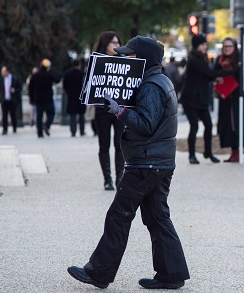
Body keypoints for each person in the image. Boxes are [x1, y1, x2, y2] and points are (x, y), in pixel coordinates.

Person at [67, 36, 190, 290]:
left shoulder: (152, 86)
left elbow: (145, 124)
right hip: (158, 161)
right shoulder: (159, 81)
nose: (124, 58)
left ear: (143, 58)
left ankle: (99, 273)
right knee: (157, 217)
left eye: (130, 55)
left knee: (119, 215)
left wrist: (119, 111)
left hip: (146, 162)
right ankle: (171, 274)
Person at [180, 34, 234, 164]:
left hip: (201, 99)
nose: (205, 47)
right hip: (190, 99)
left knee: (208, 125)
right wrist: (234, 71)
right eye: (203, 45)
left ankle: (208, 152)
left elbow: (207, 76)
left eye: (205, 45)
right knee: (194, 126)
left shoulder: (203, 59)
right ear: (197, 46)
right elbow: (210, 74)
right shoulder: (194, 60)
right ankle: (192, 155)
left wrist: (216, 76)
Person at [92, 31, 125, 190]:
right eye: (114, 43)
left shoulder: (124, 62)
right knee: (104, 145)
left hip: (119, 110)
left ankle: (120, 178)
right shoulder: (97, 62)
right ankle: (107, 179)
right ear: (106, 44)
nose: (117, 46)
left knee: (120, 144)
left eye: (118, 43)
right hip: (102, 109)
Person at [214, 37, 244, 163]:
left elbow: (239, 73)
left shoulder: (239, 60)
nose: (227, 49)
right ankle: (233, 151)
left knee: (235, 124)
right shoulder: (219, 59)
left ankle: (237, 151)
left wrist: (226, 73)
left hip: (236, 97)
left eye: (230, 47)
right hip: (224, 96)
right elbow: (214, 73)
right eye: (225, 47)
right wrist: (218, 78)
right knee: (226, 124)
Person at [28, 58, 60, 138]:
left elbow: (30, 88)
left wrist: (31, 98)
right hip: (48, 98)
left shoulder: (35, 75)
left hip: (38, 98)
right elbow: (58, 79)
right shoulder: (49, 75)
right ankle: (46, 125)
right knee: (51, 113)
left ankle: (39, 133)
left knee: (39, 116)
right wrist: (52, 70)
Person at [0, 66, 22, 135]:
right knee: (4, 116)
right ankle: (5, 129)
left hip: (12, 100)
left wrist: (15, 90)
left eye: (3, 71)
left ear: (7, 72)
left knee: (13, 115)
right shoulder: (0, 80)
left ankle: (14, 127)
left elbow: (20, 88)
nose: (2, 73)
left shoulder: (15, 79)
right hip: (4, 100)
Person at [62, 59, 87, 137]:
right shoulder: (82, 74)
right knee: (81, 114)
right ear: (79, 65)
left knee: (72, 115)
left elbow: (64, 85)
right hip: (81, 96)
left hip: (71, 96)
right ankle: (82, 131)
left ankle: (73, 131)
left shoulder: (67, 74)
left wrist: (68, 91)